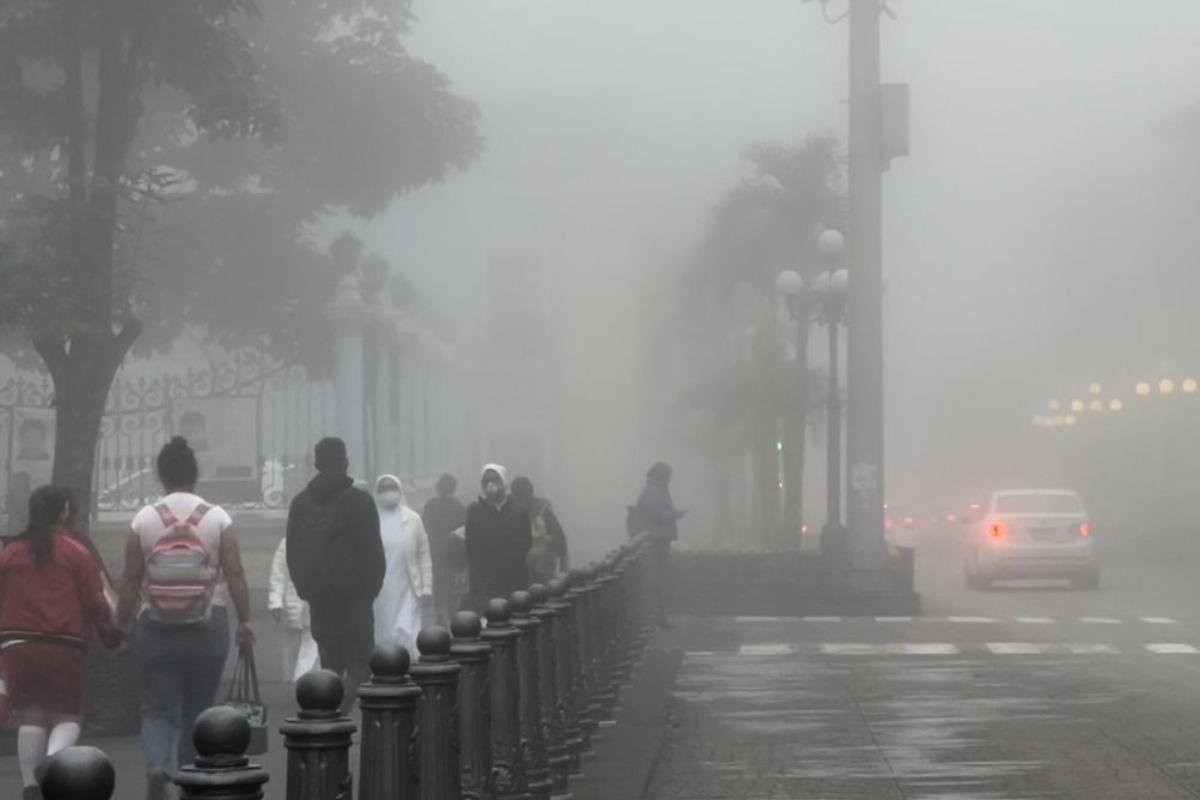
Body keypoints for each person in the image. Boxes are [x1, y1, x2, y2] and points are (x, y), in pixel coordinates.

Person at [117, 436, 254, 800]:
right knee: (199, 707)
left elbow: (130, 578)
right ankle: (189, 783)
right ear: (195, 474)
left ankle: (157, 767)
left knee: (156, 708)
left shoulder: (144, 519)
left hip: (155, 627)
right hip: (207, 626)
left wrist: (122, 623)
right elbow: (236, 573)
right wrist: (245, 621)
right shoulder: (217, 517)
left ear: (161, 475)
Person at [0, 485, 121, 800]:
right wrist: (109, 632)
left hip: (16, 646)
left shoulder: (11, 551)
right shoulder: (76, 551)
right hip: (65, 645)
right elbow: (95, 600)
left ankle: (29, 786)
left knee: (32, 716)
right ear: (65, 511)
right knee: (67, 716)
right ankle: (53, 766)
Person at [286, 437, 384, 711]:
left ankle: (327, 713)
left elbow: (292, 553)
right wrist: (369, 592)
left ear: (316, 463)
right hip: (355, 600)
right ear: (345, 462)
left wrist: (306, 589)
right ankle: (339, 713)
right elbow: (373, 553)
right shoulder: (360, 502)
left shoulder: (300, 504)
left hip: (319, 600)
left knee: (330, 662)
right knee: (359, 664)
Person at [373, 475, 433, 655]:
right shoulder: (372, 520)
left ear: (399, 491)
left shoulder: (412, 519)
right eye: (383, 489)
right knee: (383, 633)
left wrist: (426, 588)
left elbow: (424, 555)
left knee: (408, 631)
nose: (388, 492)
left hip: (409, 587)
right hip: (381, 591)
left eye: (392, 487)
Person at [464, 464, 532, 613]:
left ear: (504, 482)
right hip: (484, 582)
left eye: (495, 480)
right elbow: (471, 546)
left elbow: (525, 543)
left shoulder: (519, 511)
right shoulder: (474, 512)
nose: (490, 485)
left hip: (514, 579)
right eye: (486, 481)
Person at [636, 462, 686, 628]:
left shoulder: (656, 490)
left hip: (659, 539)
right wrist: (676, 514)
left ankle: (659, 616)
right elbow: (656, 514)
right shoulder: (654, 491)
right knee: (657, 579)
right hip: (657, 540)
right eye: (668, 476)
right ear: (662, 475)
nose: (670, 479)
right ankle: (658, 617)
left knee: (658, 579)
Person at [268, 538, 319, 682]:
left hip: (314, 609)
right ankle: (294, 683)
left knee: (310, 652)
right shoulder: (287, 542)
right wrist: (275, 602)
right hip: (291, 609)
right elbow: (278, 574)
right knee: (291, 656)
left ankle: (301, 682)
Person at [421, 474, 468, 623]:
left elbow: (425, 527)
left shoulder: (430, 505)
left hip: (435, 549)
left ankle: (439, 614)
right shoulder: (459, 507)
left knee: (438, 582)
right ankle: (453, 615)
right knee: (452, 585)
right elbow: (463, 531)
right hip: (453, 553)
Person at [510, 477, 569, 584]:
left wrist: (563, 568)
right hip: (521, 570)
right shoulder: (513, 513)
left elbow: (559, 539)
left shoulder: (543, 511)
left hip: (543, 568)